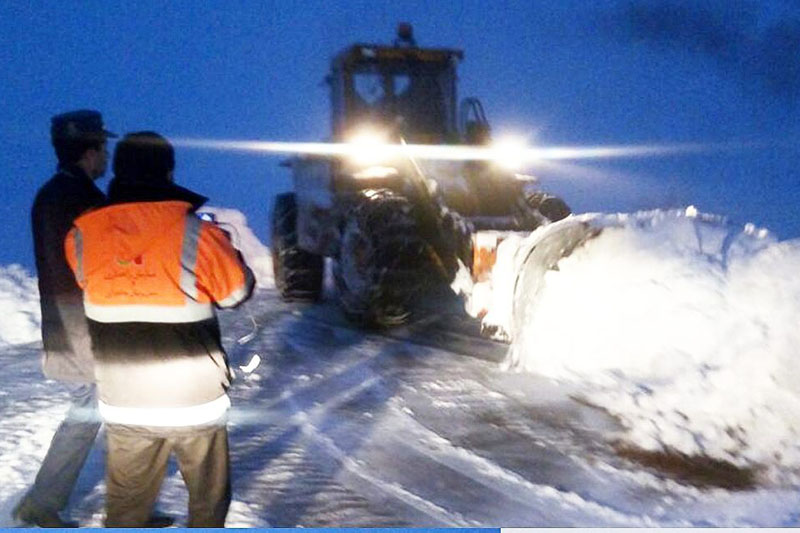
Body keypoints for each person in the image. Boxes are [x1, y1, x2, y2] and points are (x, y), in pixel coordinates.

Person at [64, 131, 254, 527]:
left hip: (123, 398)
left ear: (117, 171)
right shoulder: (197, 234)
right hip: (194, 401)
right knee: (207, 505)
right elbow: (236, 293)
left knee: (127, 509)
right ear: (168, 171)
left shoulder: (80, 236)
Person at [13, 110, 113, 528]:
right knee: (94, 408)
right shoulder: (81, 199)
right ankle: (44, 501)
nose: (106, 156)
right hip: (89, 322)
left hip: (68, 320)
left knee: (95, 407)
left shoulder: (52, 194)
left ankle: (48, 499)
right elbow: (100, 265)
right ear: (89, 152)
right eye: (103, 148)